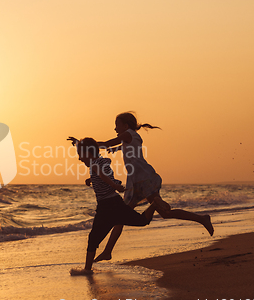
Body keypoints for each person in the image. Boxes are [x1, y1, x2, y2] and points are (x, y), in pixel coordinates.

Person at [68, 112, 214, 263]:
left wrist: (82, 143)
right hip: (136, 180)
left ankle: (201, 218)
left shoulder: (129, 135)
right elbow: (113, 149)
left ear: (126, 126)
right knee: (122, 215)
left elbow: (106, 144)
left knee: (161, 213)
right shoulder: (129, 139)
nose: (115, 128)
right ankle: (107, 251)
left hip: (143, 179)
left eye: (117, 125)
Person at [69, 138, 156, 276]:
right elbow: (104, 175)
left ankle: (87, 270)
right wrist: (92, 179)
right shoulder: (101, 162)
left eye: (80, 154)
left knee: (93, 239)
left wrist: (114, 186)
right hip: (114, 204)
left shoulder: (95, 165)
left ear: (88, 153)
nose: (79, 158)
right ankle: (154, 205)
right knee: (141, 221)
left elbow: (104, 176)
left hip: (107, 207)